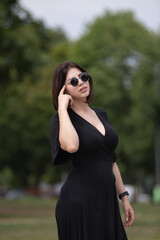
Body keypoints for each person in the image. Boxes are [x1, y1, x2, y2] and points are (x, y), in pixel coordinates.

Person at [50, 61, 134, 240]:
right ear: (62, 90)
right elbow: (71, 146)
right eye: (73, 81)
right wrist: (63, 109)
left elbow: (110, 159)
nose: (81, 82)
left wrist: (124, 197)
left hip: (106, 201)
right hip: (79, 202)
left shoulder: (101, 114)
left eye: (83, 77)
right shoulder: (60, 120)